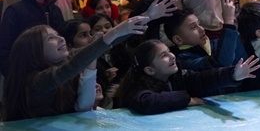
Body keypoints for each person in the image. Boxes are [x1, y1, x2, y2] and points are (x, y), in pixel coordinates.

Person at [1, 15, 150, 121]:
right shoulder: (36, 81)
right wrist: (115, 32)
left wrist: (149, 16)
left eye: (58, 34)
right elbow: (74, 65)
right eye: (51, 38)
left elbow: (106, 45)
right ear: (34, 51)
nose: (61, 39)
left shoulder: (61, 62)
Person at [115, 39, 260, 115]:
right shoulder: (138, 88)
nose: (172, 56)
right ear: (150, 70)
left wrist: (232, 74)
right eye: (163, 55)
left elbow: (203, 79)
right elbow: (147, 102)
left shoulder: (176, 76)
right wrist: (187, 99)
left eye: (168, 51)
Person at [0, 0, 66, 76]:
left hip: (54, 71)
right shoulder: (16, 11)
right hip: (26, 72)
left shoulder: (54, 10)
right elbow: (4, 46)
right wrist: (10, 74)